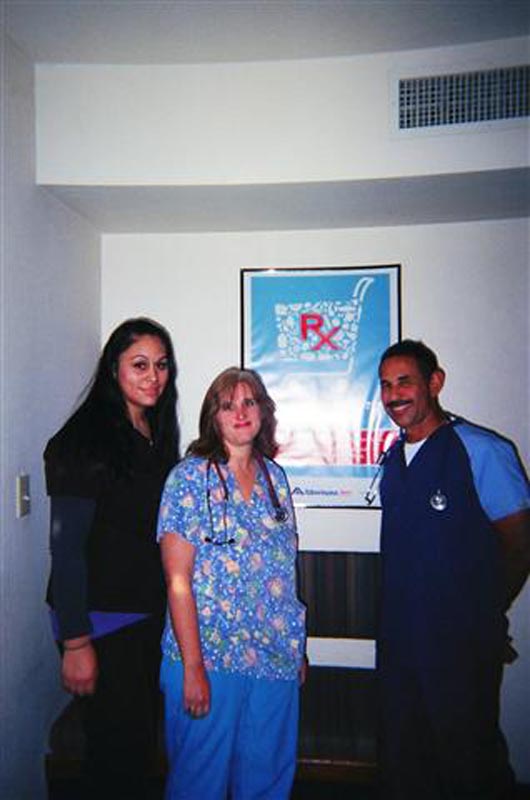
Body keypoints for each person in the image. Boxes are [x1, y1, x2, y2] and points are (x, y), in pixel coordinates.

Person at [376, 339, 530, 800]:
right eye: (386, 385)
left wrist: (483, 614)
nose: (394, 395)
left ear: (435, 382)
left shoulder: (481, 450)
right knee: (406, 758)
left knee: (468, 761)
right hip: (402, 641)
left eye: (405, 381)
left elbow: (520, 544)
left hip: (461, 644)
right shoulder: (393, 458)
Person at [44, 317, 179, 799]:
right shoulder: (84, 441)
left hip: (143, 613)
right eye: (140, 365)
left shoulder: (151, 432)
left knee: (136, 747)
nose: (154, 377)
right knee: (115, 756)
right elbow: (65, 547)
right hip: (100, 621)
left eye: (161, 365)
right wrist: (77, 642)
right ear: (112, 369)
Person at [157, 366, 307, 800]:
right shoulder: (189, 479)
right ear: (213, 416)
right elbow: (178, 581)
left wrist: (296, 649)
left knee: (267, 779)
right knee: (197, 780)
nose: (240, 413)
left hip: (273, 657)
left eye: (249, 402)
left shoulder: (275, 479)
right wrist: (193, 668)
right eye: (228, 405)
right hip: (209, 657)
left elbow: (284, 572)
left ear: (263, 411)